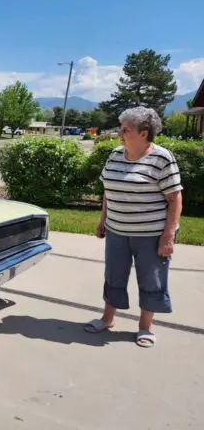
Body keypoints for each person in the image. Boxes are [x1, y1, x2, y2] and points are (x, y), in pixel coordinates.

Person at [84, 106, 183, 348]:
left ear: (144, 132)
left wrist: (168, 236)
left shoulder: (161, 158)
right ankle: (107, 319)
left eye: (126, 129)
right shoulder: (116, 154)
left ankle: (145, 327)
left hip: (150, 235)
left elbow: (175, 198)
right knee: (114, 276)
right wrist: (103, 219)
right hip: (117, 231)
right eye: (121, 127)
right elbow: (108, 190)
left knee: (152, 280)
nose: (120, 132)